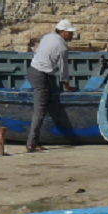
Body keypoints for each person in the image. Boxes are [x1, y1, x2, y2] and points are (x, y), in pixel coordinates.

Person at [27, 19, 77, 152]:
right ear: (62, 32)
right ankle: (32, 143)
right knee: (40, 109)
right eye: (70, 33)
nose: (72, 35)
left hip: (33, 70)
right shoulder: (62, 47)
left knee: (48, 100)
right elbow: (63, 72)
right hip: (41, 76)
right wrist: (68, 88)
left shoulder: (48, 36)